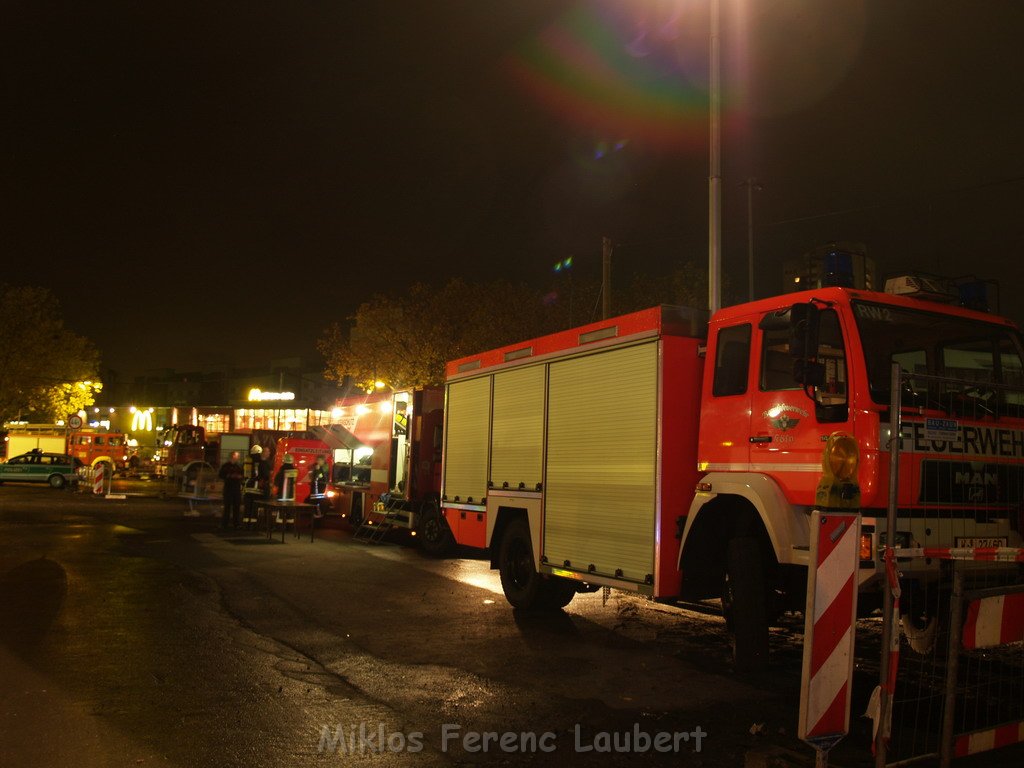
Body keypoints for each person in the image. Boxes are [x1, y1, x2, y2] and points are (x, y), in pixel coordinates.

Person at [218, 450, 244, 529]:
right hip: (228, 489)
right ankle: (224, 524)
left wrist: (239, 477)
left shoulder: (238, 467)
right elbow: (221, 475)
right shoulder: (226, 466)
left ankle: (236, 523)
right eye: (237, 456)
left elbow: (242, 475)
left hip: (236, 489)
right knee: (227, 507)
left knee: (236, 507)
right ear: (233, 456)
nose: (238, 458)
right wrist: (230, 476)